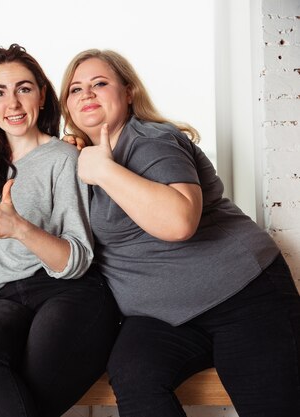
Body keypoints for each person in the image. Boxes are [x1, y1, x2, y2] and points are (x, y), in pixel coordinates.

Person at [60, 48, 300, 417]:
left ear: (128, 92)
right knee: (133, 375)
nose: (86, 94)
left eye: (99, 83)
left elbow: (179, 222)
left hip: (242, 296)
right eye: (75, 90)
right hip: (163, 318)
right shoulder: (79, 163)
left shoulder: (151, 140)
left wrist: (106, 171)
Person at [0, 44, 120, 417]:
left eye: (24, 88)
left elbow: (76, 260)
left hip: (70, 293)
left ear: (42, 95)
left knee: (28, 376)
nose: (12, 103)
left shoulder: (64, 157)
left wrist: (20, 229)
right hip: (7, 299)